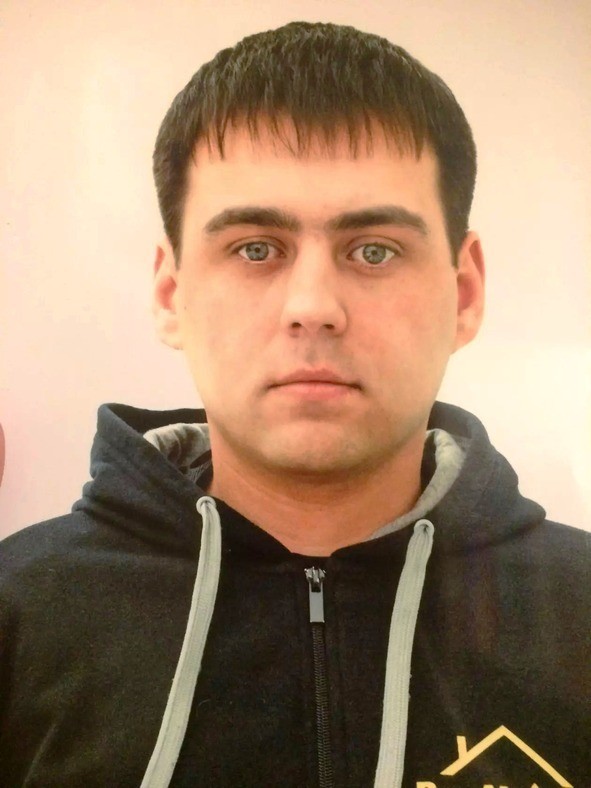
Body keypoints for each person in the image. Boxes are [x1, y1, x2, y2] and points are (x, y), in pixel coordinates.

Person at [0, 20, 588, 788]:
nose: (313, 307)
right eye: (255, 248)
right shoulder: (18, 609)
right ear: (171, 294)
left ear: (465, 292)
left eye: (373, 250)